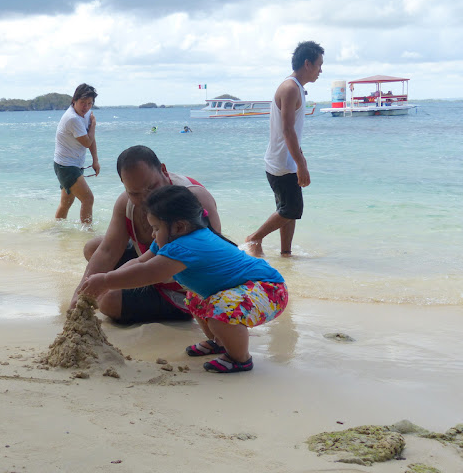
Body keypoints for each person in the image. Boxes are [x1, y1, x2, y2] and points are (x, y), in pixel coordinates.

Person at [81, 185, 288, 373]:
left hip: (268, 289)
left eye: (156, 228)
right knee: (194, 298)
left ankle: (240, 358)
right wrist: (108, 280)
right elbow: (139, 263)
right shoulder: (171, 241)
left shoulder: (186, 246)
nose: (153, 235)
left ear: (179, 227)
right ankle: (220, 342)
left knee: (220, 310)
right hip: (248, 288)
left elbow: (147, 274)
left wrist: (107, 280)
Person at [70, 145, 221, 324]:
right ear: (125, 186)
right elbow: (108, 252)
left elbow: (210, 261)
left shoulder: (193, 199)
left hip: (182, 286)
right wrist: (80, 296)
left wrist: (110, 282)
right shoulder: (126, 203)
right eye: (135, 193)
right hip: (153, 266)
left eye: (152, 187)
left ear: (164, 171)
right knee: (93, 247)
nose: (146, 199)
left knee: (108, 301)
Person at [246, 40, 324, 257]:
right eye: (319, 65)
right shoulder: (290, 88)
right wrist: (300, 165)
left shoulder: (296, 88)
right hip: (282, 163)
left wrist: (301, 159)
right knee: (292, 209)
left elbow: (293, 131)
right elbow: (287, 130)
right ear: (307, 64)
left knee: (288, 211)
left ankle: (286, 253)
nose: (321, 70)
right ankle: (254, 238)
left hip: (284, 160)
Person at [54, 83, 99, 225]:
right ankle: (87, 232)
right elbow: (87, 141)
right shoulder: (73, 118)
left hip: (69, 164)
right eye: (82, 103)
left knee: (66, 202)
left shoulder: (84, 115)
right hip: (66, 166)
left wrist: (95, 161)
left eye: (89, 103)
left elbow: (91, 140)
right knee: (88, 199)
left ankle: (56, 230)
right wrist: (93, 126)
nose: (85, 107)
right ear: (74, 100)